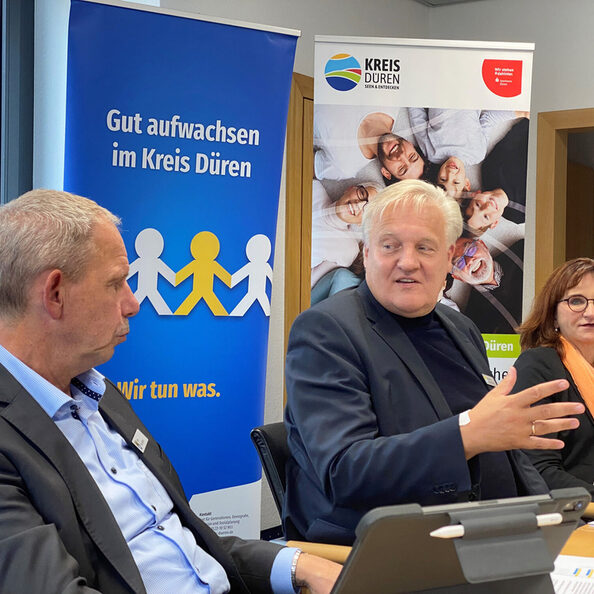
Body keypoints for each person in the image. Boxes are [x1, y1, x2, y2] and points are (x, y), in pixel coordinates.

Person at [0, 189, 341, 593]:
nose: (132, 303)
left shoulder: (101, 396)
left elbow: (186, 540)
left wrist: (297, 564)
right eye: (116, 283)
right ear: (54, 294)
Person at [284, 179, 584, 545]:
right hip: (392, 546)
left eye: (425, 247)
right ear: (366, 254)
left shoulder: (461, 327)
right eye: (389, 245)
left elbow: (508, 455)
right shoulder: (326, 330)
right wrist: (466, 436)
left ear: (447, 259)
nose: (407, 262)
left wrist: (549, 517)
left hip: (491, 536)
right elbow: (345, 471)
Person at [515, 258, 594, 495]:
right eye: (576, 301)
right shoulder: (538, 365)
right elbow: (537, 470)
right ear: (553, 315)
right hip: (569, 518)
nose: (590, 312)